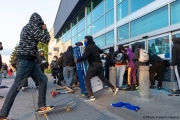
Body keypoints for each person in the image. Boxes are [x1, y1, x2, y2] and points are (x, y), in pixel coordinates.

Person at [0, 12, 54, 119]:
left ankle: (41, 106)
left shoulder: (27, 27)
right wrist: (45, 28)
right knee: (16, 86)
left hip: (30, 60)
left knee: (43, 79)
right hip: (26, 60)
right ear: (38, 21)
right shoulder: (33, 26)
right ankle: (2, 114)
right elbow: (46, 39)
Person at [74, 36, 118, 101]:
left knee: (87, 78)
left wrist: (77, 60)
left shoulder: (88, 47)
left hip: (94, 65)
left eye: (85, 40)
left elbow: (85, 56)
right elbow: (101, 51)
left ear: (88, 40)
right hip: (99, 64)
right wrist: (95, 52)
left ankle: (91, 96)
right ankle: (113, 88)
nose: (84, 41)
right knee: (103, 78)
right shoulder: (94, 46)